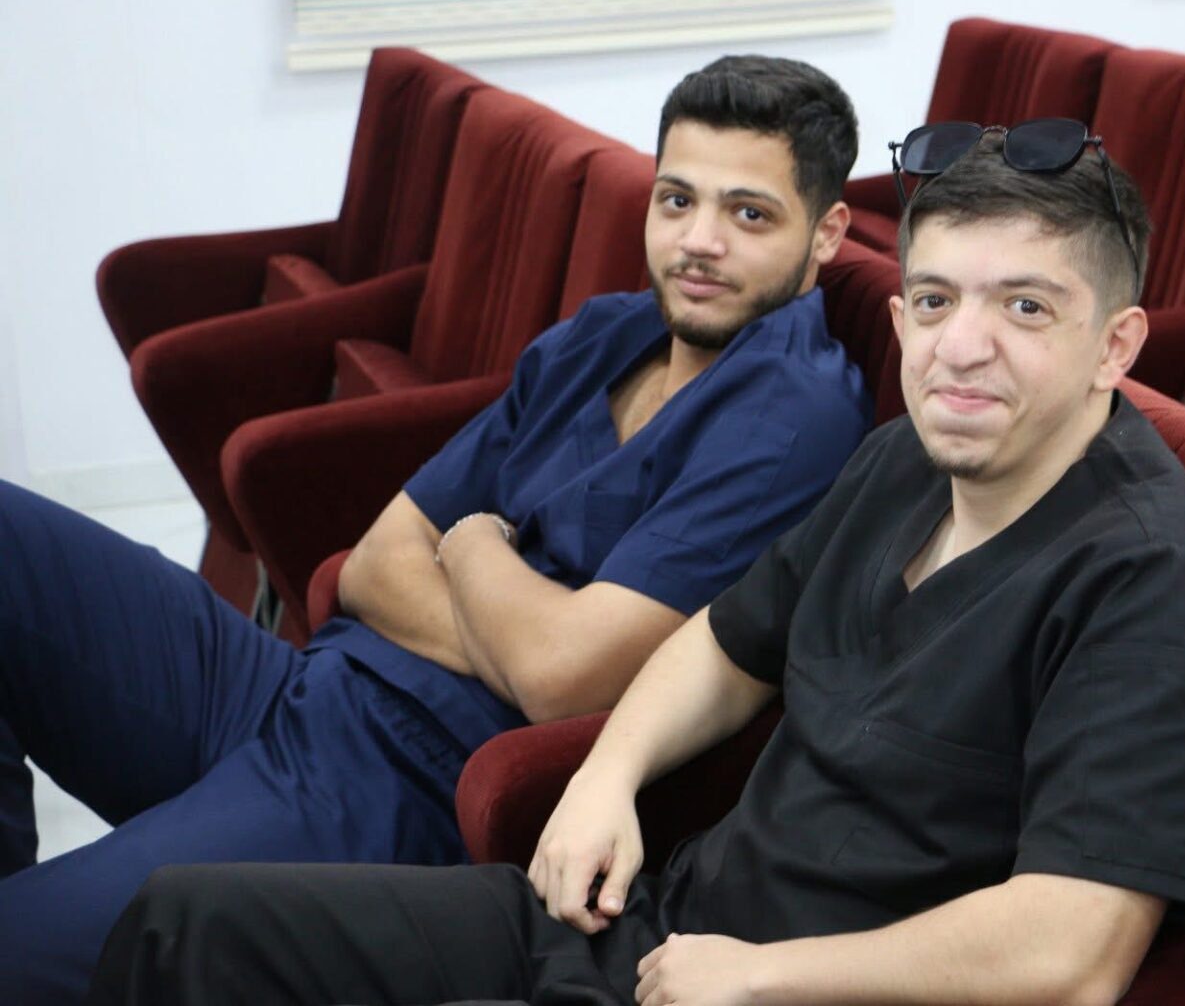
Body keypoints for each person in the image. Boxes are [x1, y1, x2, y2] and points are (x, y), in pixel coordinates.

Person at [89, 125, 1185, 1006]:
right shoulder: (904, 460)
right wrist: (607, 776)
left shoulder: (1158, 580)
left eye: (1026, 308)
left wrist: (759, 977)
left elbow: (1073, 949)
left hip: (788, 989)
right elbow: (724, 643)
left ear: (1116, 345)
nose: (962, 347)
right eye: (934, 299)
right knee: (181, 927)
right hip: (651, 931)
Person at [0, 55, 870, 1005]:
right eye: (677, 200)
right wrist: (514, 627)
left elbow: (559, 677)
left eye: (749, 214)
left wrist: (468, 545)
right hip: (302, 685)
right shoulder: (606, 333)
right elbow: (374, 564)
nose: (699, 241)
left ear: (826, 233)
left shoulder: (791, 415)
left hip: (399, 782)